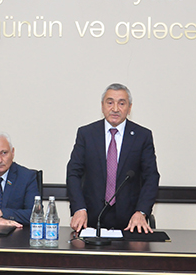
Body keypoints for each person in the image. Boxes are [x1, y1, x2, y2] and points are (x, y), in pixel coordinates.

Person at [67, 83, 160, 233]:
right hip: (90, 219)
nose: (115, 109)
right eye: (110, 102)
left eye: (121, 103)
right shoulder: (87, 134)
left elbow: (151, 176)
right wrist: (79, 208)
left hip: (130, 222)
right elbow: (73, 173)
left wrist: (141, 211)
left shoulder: (142, 136)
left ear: (129, 108)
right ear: (102, 106)